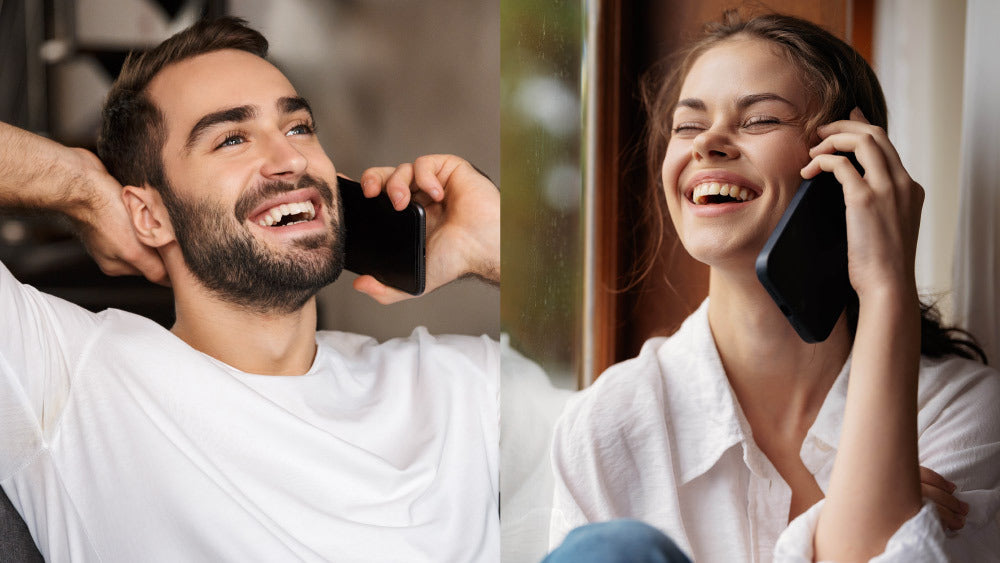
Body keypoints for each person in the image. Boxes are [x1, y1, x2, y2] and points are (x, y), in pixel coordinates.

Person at [0, 17, 500, 562]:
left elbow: (609, 428)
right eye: (232, 138)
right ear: (149, 214)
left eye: (299, 128)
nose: (290, 161)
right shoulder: (68, 381)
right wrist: (79, 186)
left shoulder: (453, 386)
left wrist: (499, 249)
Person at [548, 11, 1000, 562]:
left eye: (759, 120)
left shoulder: (957, 411)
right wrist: (827, 524)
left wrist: (887, 289)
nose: (708, 143)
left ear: (849, 164)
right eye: (688, 125)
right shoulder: (607, 424)